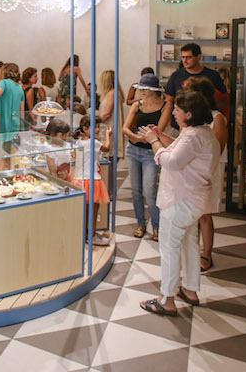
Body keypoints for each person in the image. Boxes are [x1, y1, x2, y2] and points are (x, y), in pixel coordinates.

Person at [137, 90, 219, 316]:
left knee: (169, 247)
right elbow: (180, 149)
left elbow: (171, 162)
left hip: (180, 199)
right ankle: (190, 289)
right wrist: (161, 135)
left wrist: (154, 141)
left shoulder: (193, 136)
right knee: (189, 244)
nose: (173, 112)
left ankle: (166, 299)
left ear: (189, 114)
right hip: (193, 200)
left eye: (177, 110)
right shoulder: (201, 132)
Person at [183, 76, 228, 272]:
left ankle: (207, 253)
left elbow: (215, 150)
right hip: (191, 171)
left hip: (208, 172)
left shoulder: (217, 119)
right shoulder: (194, 118)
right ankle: (192, 250)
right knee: (191, 213)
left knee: (205, 214)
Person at [122, 73, 165, 241]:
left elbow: (159, 130)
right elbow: (125, 128)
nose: (142, 91)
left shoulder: (164, 106)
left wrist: (144, 137)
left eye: (146, 89)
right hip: (133, 150)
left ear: (154, 90)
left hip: (150, 153)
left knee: (149, 190)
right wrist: (137, 138)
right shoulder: (137, 105)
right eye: (141, 88)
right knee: (135, 190)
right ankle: (140, 223)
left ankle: (157, 226)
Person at [57, 118, 112, 246]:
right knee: (93, 211)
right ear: (85, 129)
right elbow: (107, 148)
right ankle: (92, 236)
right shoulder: (94, 142)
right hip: (91, 179)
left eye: (98, 126)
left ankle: (85, 234)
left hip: (79, 179)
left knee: (85, 211)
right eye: (95, 127)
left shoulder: (79, 141)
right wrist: (108, 135)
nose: (97, 129)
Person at [159, 43, 229, 130]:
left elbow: (225, 101)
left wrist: (205, 107)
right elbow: (169, 103)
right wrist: (162, 128)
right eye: (183, 57)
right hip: (179, 125)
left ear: (198, 57)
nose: (185, 61)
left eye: (189, 57)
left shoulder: (213, 75)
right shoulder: (176, 76)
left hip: (205, 125)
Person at [0, 63, 25, 135]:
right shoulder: (20, 88)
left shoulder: (4, 82)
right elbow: (22, 112)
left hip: (2, 123)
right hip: (15, 124)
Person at [98, 70, 125, 157]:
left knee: (109, 155)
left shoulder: (112, 93)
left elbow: (107, 113)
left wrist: (96, 122)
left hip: (109, 127)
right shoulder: (115, 92)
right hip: (110, 127)